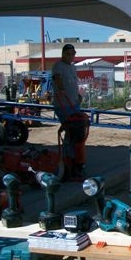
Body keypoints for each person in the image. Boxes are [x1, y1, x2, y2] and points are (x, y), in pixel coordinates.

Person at [52, 44, 87, 179]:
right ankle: (69, 162)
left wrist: (77, 96)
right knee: (71, 132)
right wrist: (61, 90)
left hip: (73, 104)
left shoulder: (73, 67)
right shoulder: (58, 66)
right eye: (69, 53)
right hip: (64, 105)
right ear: (63, 54)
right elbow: (58, 79)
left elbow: (73, 82)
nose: (71, 56)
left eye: (73, 53)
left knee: (78, 132)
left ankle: (76, 161)